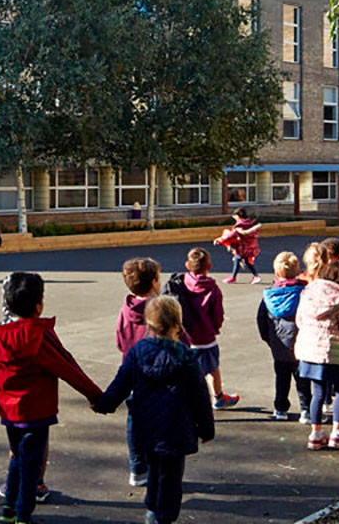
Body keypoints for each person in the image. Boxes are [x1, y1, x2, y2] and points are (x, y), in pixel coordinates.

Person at [0, 271, 104, 524]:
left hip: (10, 410)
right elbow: (67, 367)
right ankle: (23, 514)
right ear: (39, 305)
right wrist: (96, 396)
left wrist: (1, 399)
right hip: (37, 411)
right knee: (31, 464)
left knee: (18, 457)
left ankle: (9, 508)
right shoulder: (39, 335)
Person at [92, 295, 216, 524]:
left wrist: (103, 404)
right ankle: (163, 517)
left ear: (148, 324)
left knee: (154, 470)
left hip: (145, 427)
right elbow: (200, 397)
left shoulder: (137, 353)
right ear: (177, 325)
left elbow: (120, 384)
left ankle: (152, 509)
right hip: (176, 429)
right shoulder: (187, 358)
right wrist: (207, 429)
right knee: (171, 478)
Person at [293, 255, 339, 450]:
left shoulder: (308, 294)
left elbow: (299, 321)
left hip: (309, 351)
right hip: (334, 353)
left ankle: (316, 433)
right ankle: (337, 433)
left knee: (318, 393)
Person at [114, 257, 161, 488]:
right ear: (154, 282)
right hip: (157, 377)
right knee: (160, 424)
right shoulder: (160, 309)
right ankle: (157, 467)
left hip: (133, 374)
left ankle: (137, 467)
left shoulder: (127, 307)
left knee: (135, 422)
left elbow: (120, 341)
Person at [173, 248, 236, 408]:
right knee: (212, 369)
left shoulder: (183, 282)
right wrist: (215, 327)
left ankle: (185, 399)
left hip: (185, 335)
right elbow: (217, 313)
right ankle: (218, 397)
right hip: (205, 336)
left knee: (187, 370)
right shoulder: (212, 288)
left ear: (188, 265)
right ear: (209, 266)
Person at [255, 250, 308, 420]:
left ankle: (280, 408)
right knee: (302, 379)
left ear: (277, 273)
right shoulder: (304, 293)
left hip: (278, 344)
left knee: (281, 377)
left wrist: (269, 339)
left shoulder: (269, 295)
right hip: (300, 342)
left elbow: (261, 320)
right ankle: (306, 409)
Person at [217, 205, 264, 283]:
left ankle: (235, 277)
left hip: (243, 247)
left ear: (238, 216)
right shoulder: (250, 223)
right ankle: (253, 276)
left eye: (234, 215)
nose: (233, 217)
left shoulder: (240, 225)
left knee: (239, 259)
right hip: (251, 246)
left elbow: (231, 236)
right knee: (242, 260)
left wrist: (220, 240)